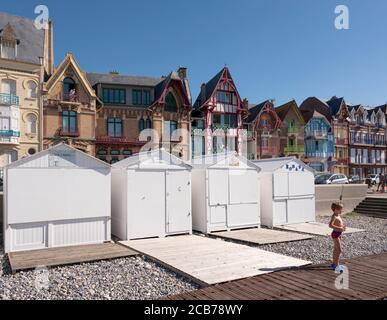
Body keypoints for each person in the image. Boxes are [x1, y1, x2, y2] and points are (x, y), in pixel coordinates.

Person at [329, 202, 346, 273]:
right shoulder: (334, 216)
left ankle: (334, 263)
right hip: (335, 234)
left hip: (338, 234)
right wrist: (339, 228)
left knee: (336, 249)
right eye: (340, 209)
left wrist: (342, 227)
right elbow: (330, 225)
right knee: (339, 250)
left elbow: (339, 224)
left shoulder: (338, 215)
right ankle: (336, 265)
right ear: (335, 209)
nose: (342, 211)